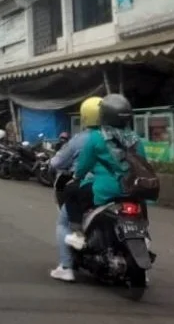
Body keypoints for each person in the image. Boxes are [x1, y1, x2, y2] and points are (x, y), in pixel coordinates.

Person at [63, 93, 145, 251]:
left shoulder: (96, 137)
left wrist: (76, 177)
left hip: (106, 189)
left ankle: (78, 235)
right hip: (134, 188)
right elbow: (143, 163)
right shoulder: (135, 138)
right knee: (139, 205)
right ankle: (144, 236)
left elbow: (84, 165)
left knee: (70, 190)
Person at [47, 96, 102, 283]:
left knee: (63, 222)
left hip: (87, 188)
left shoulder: (80, 140)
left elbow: (59, 162)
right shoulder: (117, 138)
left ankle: (66, 267)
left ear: (85, 117)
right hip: (117, 188)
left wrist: (52, 162)